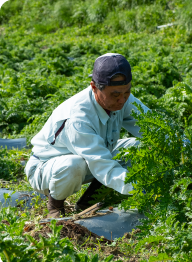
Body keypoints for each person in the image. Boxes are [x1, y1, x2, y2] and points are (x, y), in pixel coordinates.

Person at [24, 53, 149, 218]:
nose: (122, 100)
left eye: (127, 92)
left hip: (92, 157)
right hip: (46, 167)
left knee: (137, 148)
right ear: (94, 87)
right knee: (75, 164)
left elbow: (151, 126)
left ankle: (87, 203)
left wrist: (185, 151)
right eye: (115, 94)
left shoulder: (123, 98)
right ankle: (55, 206)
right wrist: (143, 189)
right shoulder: (78, 118)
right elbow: (103, 166)